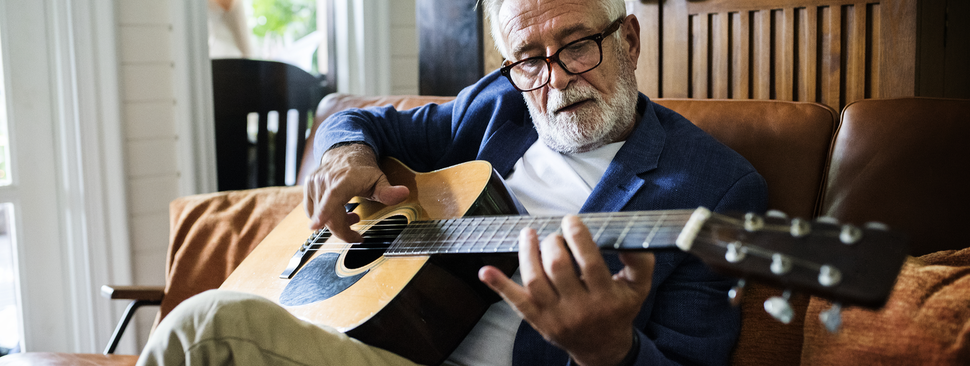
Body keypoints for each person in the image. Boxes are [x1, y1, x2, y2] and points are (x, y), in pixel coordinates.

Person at [138, 0, 767, 365]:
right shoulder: (499, 103)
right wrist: (345, 154)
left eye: (577, 46)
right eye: (528, 59)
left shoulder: (714, 187)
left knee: (206, 328)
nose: (554, 79)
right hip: (381, 340)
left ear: (628, 39)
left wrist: (610, 350)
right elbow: (356, 120)